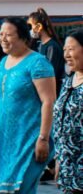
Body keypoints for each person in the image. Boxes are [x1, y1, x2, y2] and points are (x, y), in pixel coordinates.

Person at [0, 17, 56, 194]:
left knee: (20, 189)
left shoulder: (38, 63)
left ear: (22, 37)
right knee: (5, 190)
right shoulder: (4, 62)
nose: (2, 38)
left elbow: (48, 101)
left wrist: (43, 139)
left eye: (8, 35)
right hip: (6, 140)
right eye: (0, 34)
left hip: (31, 139)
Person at [52, 29, 83, 194]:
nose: (66, 54)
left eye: (71, 49)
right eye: (65, 50)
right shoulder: (68, 81)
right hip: (68, 168)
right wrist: (59, 160)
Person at [27, 8, 65, 93]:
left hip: (51, 92)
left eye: (30, 26)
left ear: (38, 27)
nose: (29, 30)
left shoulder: (52, 47)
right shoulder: (39, 45)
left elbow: (50, 72)